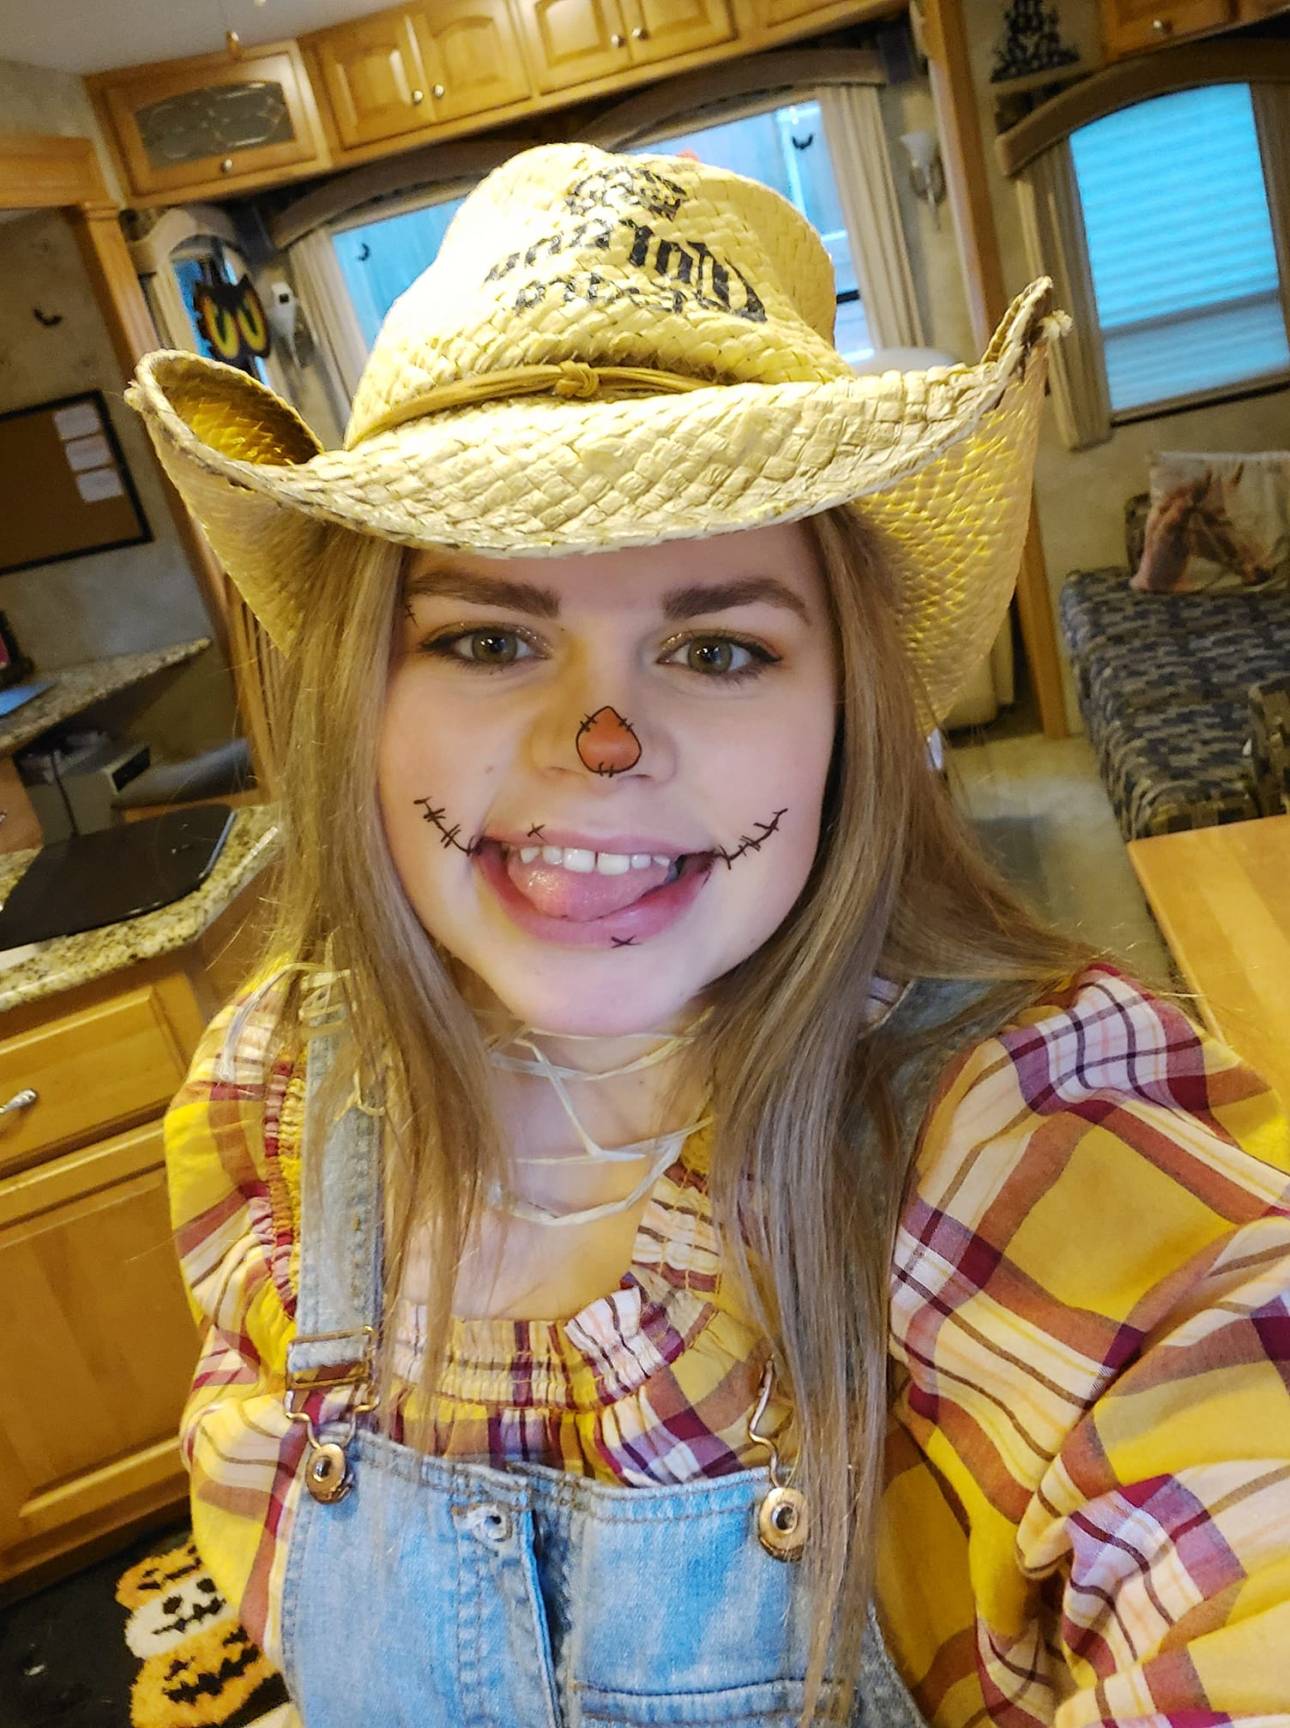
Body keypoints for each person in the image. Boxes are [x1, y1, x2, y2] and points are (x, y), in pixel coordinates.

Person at [128, 142, 1290, 1728]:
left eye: (719, 649)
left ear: (846, 717)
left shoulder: (1001, 1116)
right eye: (486, 639)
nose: (597, 744)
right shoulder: (267, 1092)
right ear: (359, 700)